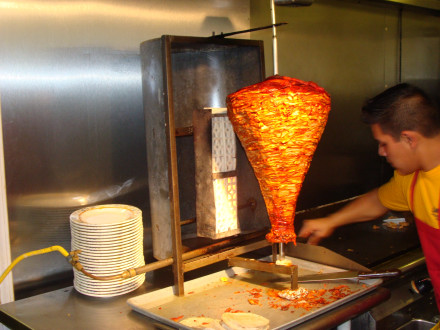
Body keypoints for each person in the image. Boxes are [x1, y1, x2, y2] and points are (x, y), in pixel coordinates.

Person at [298, 83, 440, 310]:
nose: (381, 152)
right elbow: (378, 200)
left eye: (384, 144)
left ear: (409, 139)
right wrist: (329, 222)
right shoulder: (412, 179)